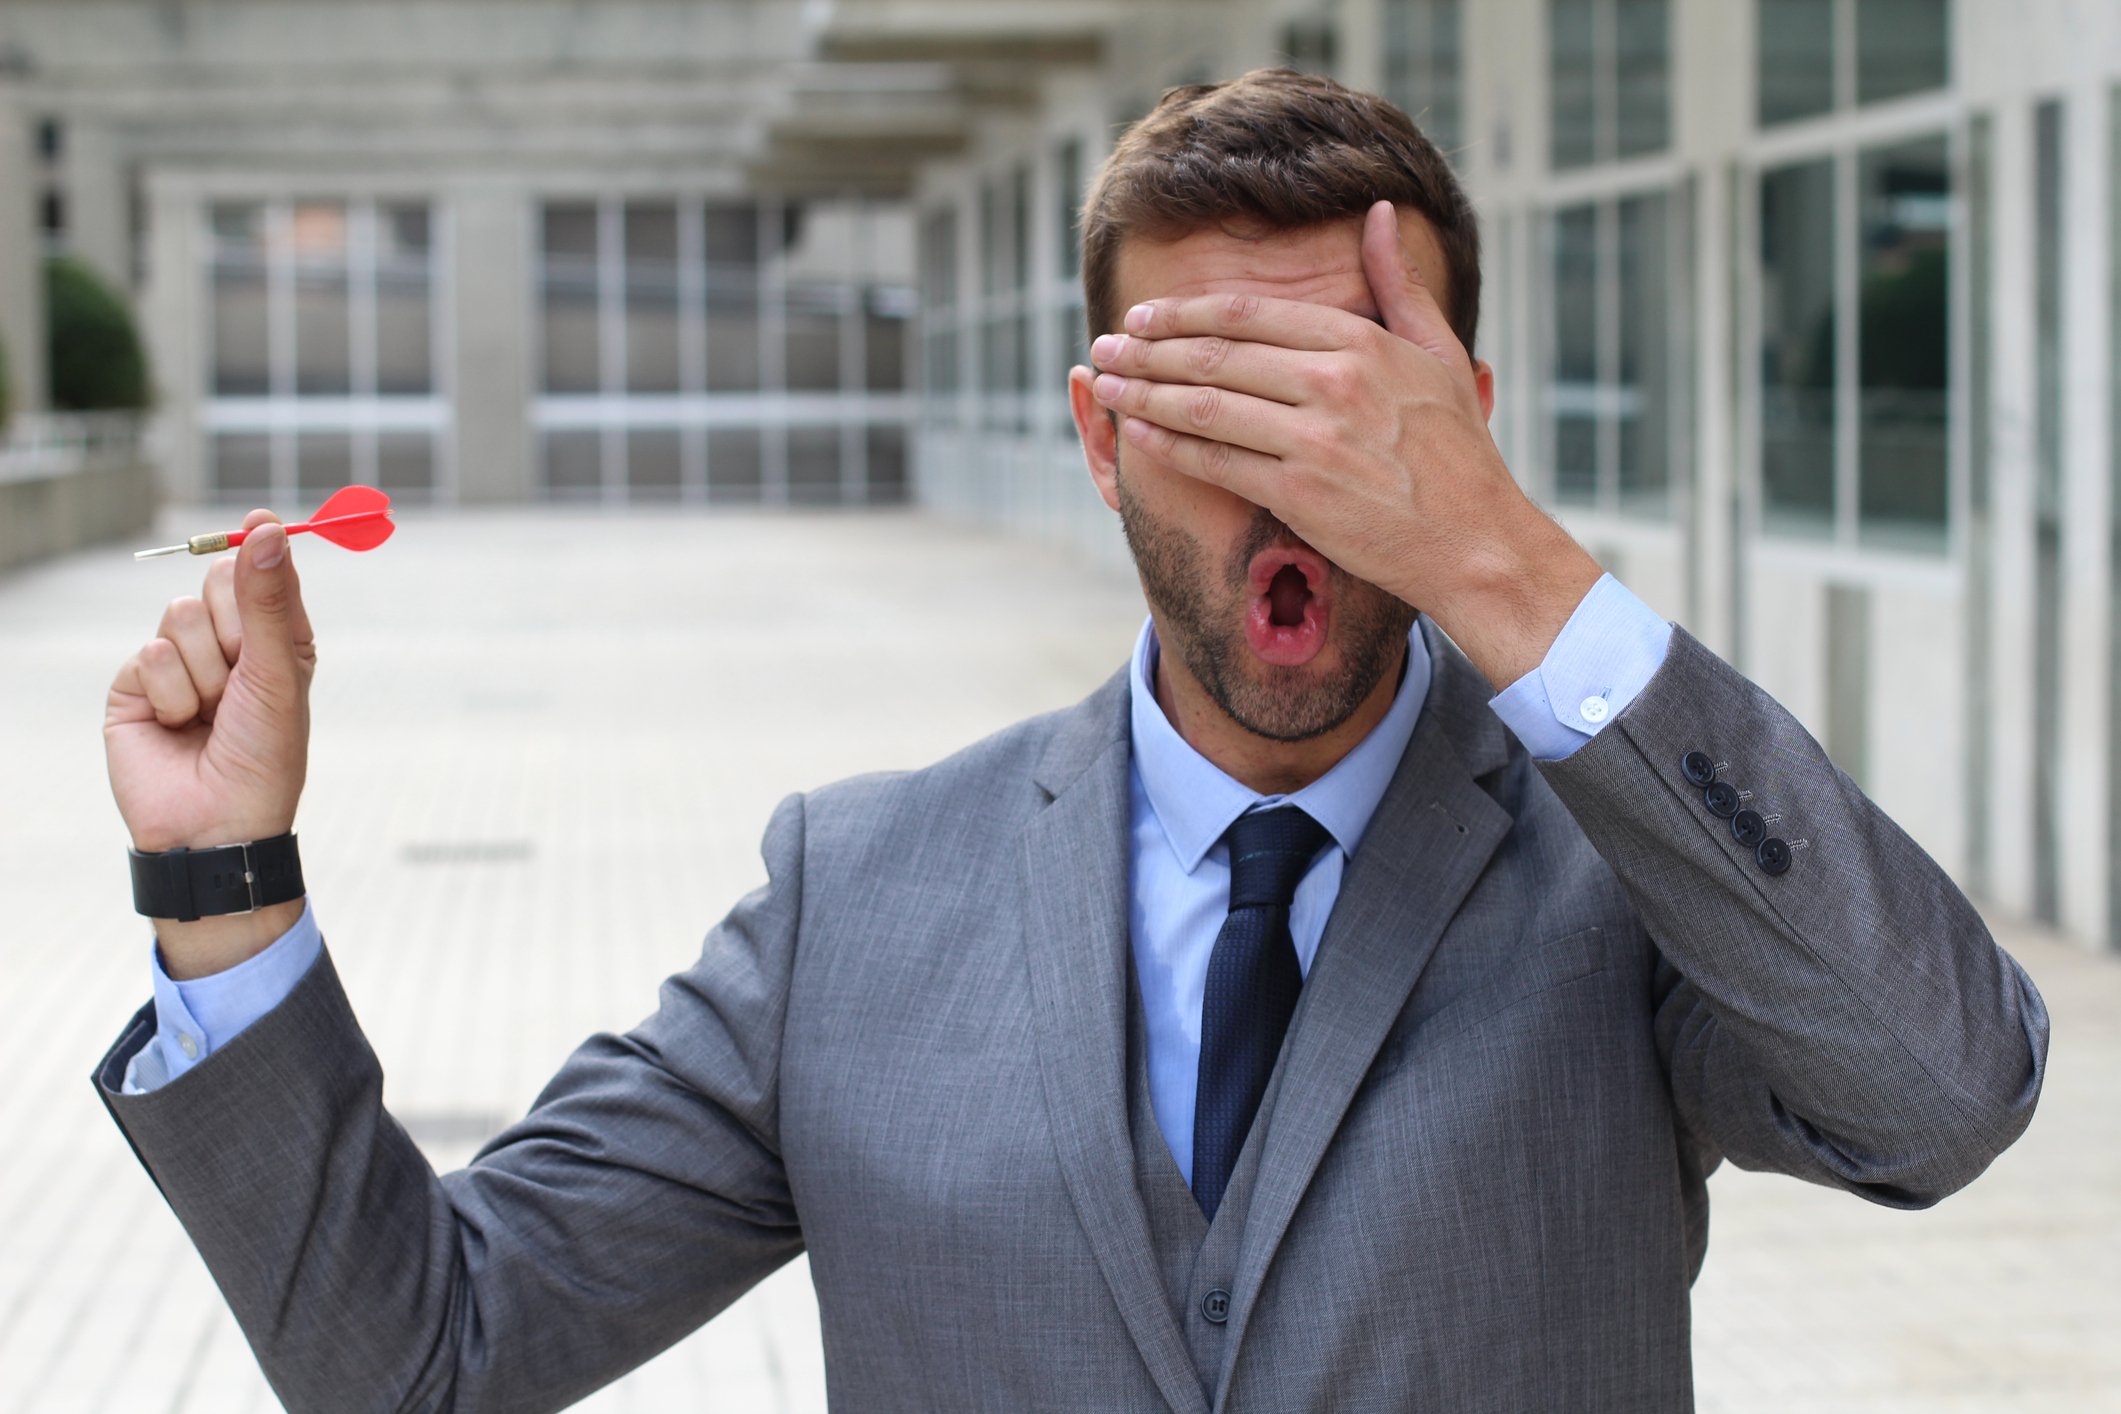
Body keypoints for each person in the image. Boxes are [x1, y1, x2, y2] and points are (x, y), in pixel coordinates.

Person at [95, 69, 2047, 1413]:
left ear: (1456, 417)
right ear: (1099, 434)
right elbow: (418, 1351)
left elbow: (1940, 1091)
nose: (1292, 490)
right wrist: (220, 885)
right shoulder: (855, 900)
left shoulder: (1623, 873)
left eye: (1347, 409)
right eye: (1213, 404)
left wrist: (1499, 558)